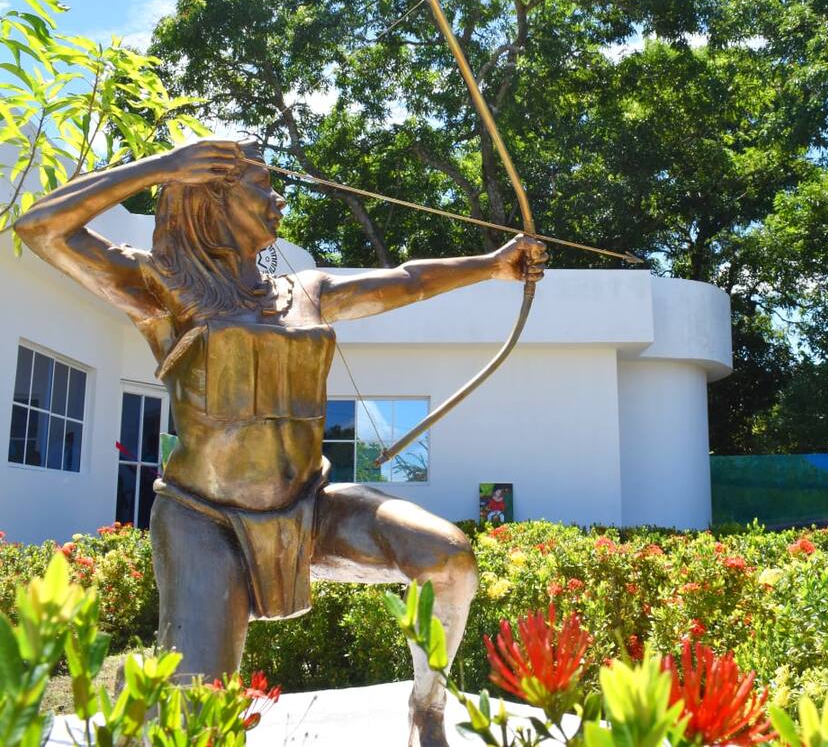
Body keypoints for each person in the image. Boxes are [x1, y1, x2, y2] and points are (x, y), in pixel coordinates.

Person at [14, 139, 548, 747]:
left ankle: (427, 706)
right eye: (263, 187)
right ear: (212, 199)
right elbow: (39, 228)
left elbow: (407, 280)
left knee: (446, 558)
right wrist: (160, 167)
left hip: (309, 506)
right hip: (204, 519)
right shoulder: (160, 288)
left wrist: (493, 264)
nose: (278, 199)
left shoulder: (305, 292)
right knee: (196, 720)